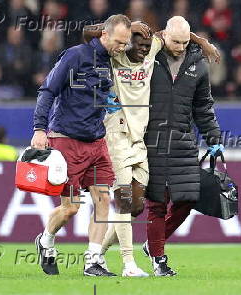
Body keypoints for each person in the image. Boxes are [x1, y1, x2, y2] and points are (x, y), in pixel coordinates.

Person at [82, 19, 219, 277]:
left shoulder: (164, 53)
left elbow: (174, 35)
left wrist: (202, 43)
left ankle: (97, 255)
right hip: (126, 136)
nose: (143, 49)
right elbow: (90, 32)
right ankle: (132, 263)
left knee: (138, 207)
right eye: (137, 43)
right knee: (135, 203)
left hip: (155, 141)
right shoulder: (119, 54)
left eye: (146, 45)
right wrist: (129, 25)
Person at [31, 14, 133, 277]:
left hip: (96, 141)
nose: (122, 48)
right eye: (119, 43)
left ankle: (93, 262)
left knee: (102, 199)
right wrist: (40, 128)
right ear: (105, 35)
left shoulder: (111, 61)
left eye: (126, 44)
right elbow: (47, 90)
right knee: (71, 208)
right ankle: (46, 241)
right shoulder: (75, 56)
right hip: (67, 140)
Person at [142, 16, 223, 276]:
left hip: (183, 142)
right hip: (150, 140)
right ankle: (158, 259)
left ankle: (152, 244)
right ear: (164, 35)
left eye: (186, 42)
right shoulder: (148, 55)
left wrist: (214, 139)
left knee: (189, 198)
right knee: (156, 203)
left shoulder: (198, 64)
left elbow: (203, 107)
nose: (180, 47)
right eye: (176, 41)